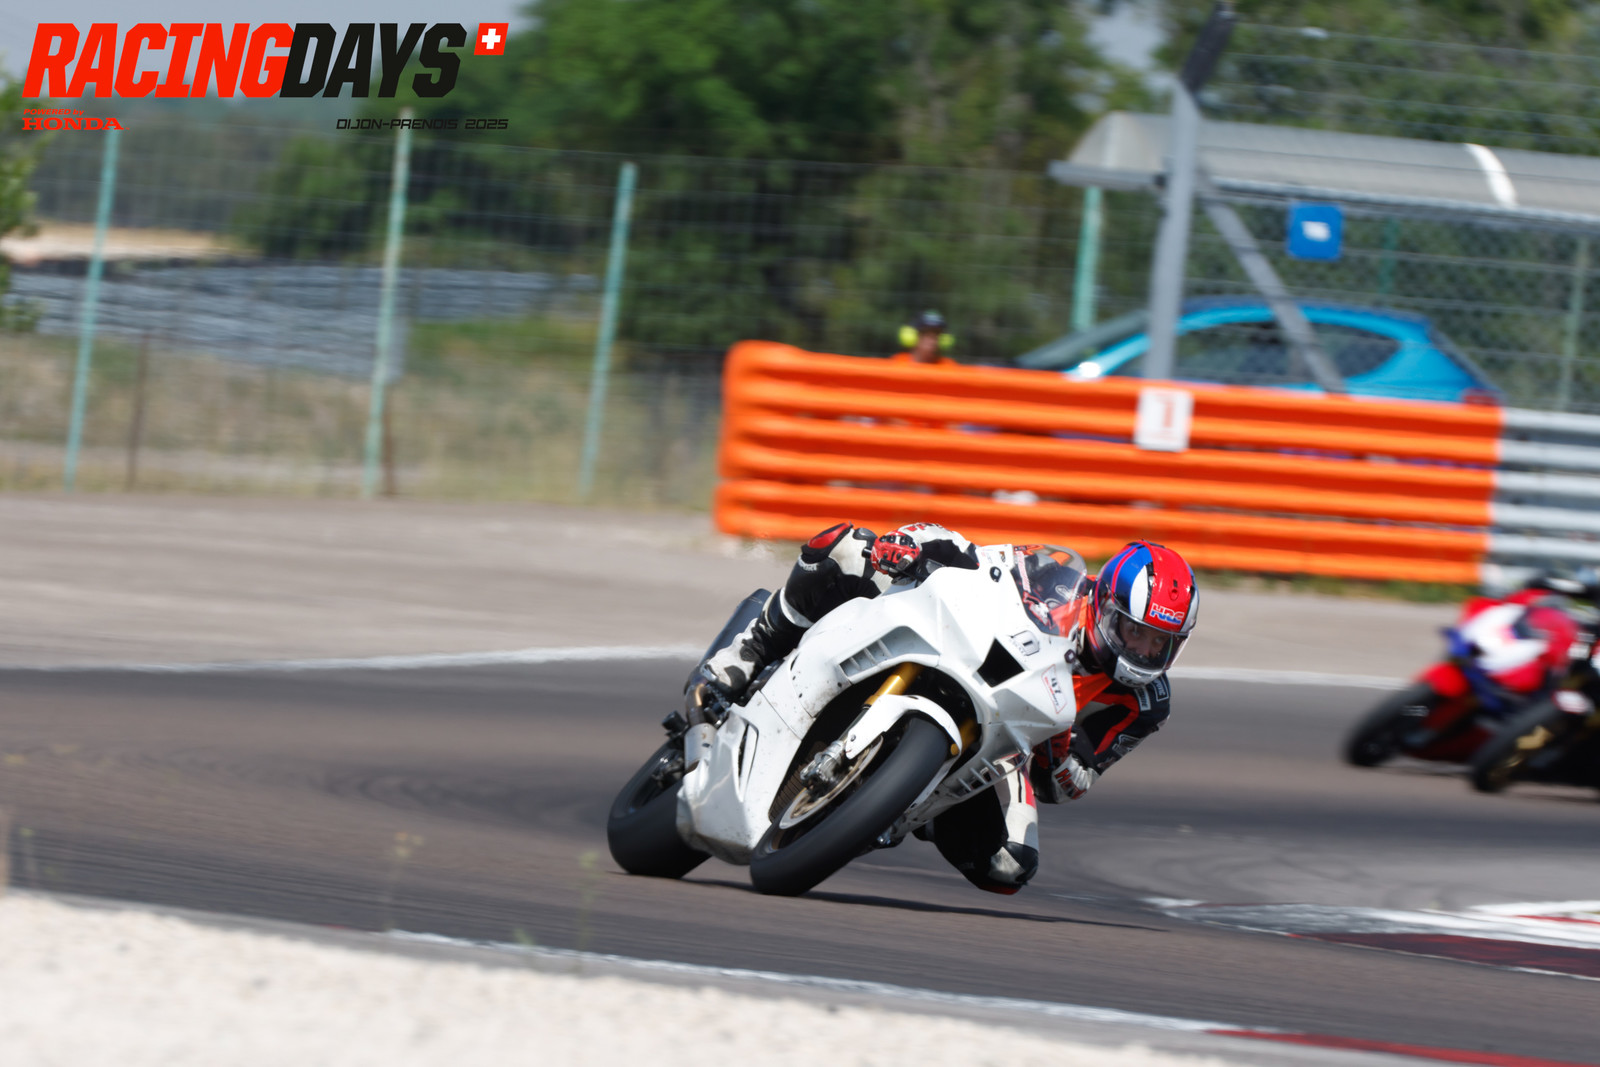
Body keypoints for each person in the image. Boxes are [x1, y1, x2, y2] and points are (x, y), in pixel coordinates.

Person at [686, 521, 1197, 896]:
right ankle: (746, 653)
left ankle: (902, 805)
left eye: (1161, 642)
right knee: (848, 548)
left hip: (1015, 741)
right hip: (959, 652)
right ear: (1106, 605)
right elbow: (977, 557)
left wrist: (1059, 751)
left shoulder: (1145, 704)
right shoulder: (1057, 576)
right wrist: (911, 544)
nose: (1144, 651)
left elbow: (1067, 785)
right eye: (1136, 631)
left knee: (1010, 866)